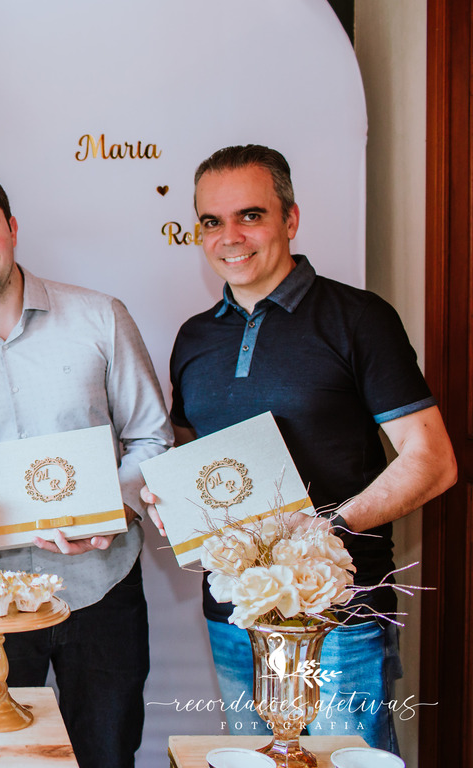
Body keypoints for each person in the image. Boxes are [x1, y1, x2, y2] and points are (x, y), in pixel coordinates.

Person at [142, 144, 457, 752]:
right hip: (236, 616)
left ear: (289, 219)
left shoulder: (359, 319)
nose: (229, 236)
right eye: (211, 221)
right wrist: (173, 504)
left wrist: (321, 533)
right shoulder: (194, 338)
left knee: (344, 766)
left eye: (250, 216)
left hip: (338, 615)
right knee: (253, 764)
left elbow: (432, 460)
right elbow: (193, 456)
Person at [0, 165, 173, 768]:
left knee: (107, 754)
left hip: (102, 588)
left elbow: (151, 438)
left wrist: (115, 510)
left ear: (12, 228)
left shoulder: (101, 317)